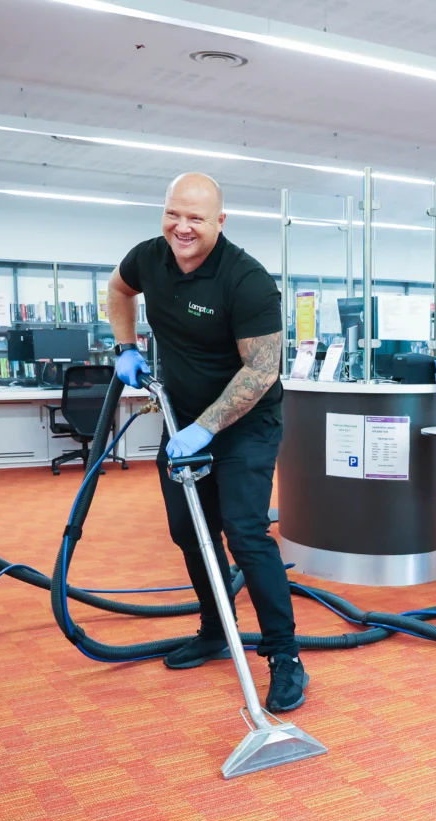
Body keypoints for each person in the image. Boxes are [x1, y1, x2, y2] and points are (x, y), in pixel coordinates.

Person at [106, 172, 306, 712]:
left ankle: (284, 656)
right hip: (183, 420)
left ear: (220, 221)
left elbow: (262, 371)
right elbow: (118, 288)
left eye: (196, 216)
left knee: (243, 530)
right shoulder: (149, 257)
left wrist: (205, 428)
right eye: (174, 213)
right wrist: (123, 346)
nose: (182, 226)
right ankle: (217, 627)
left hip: (246, 424)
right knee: (189, 530)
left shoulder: (247, 281)